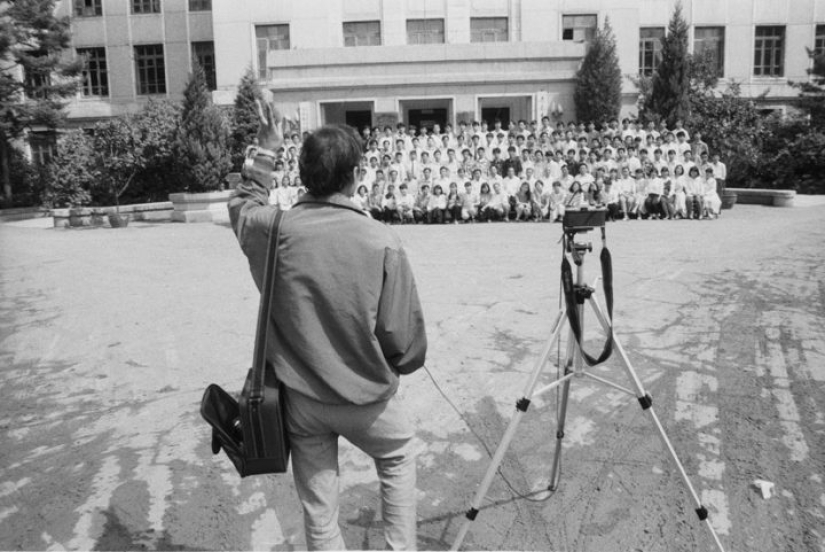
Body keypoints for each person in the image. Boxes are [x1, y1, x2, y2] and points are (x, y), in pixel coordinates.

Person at [228, 103, 427, 551]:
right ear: (355, 175)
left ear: (302, 173)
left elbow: (242, 204)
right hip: (368, 398)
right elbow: (403, 342)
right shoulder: (381, 238)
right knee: (398, 457)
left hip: (303, 400)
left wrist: (266, 148)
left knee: (320, 514)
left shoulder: (273, 229)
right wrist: (397, 363)